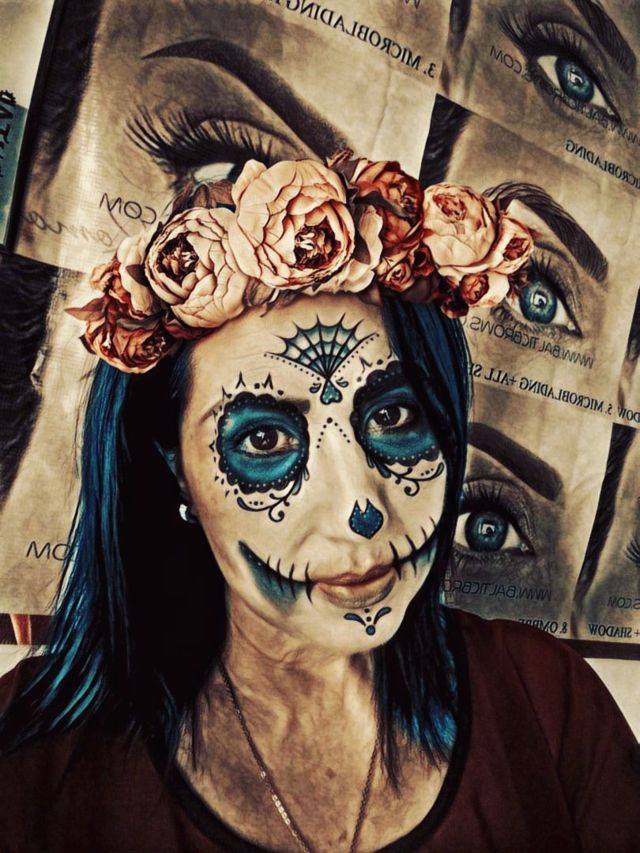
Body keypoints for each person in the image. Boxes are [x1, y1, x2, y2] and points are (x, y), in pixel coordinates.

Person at [0, 154, 638, 853]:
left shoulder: (548, 703)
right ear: (176, 472)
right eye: (265, 438)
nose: (360, 509)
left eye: (394, 417)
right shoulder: (32, 761)